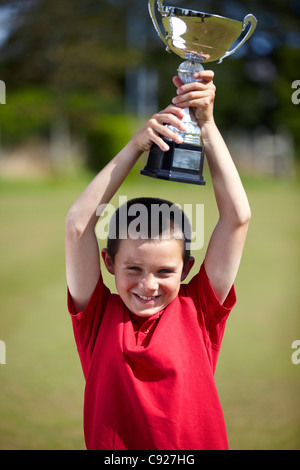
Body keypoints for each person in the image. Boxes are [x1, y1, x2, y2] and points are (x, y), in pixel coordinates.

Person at [65, 70, 251, 450]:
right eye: (134, 268)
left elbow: (237, 217)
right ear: (109, 262)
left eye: (166, 271)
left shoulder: (198, 308)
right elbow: (77, 225)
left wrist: (207, 126)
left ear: (187, 268)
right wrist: (136, 146)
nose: (148, 285)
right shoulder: (97, 317)